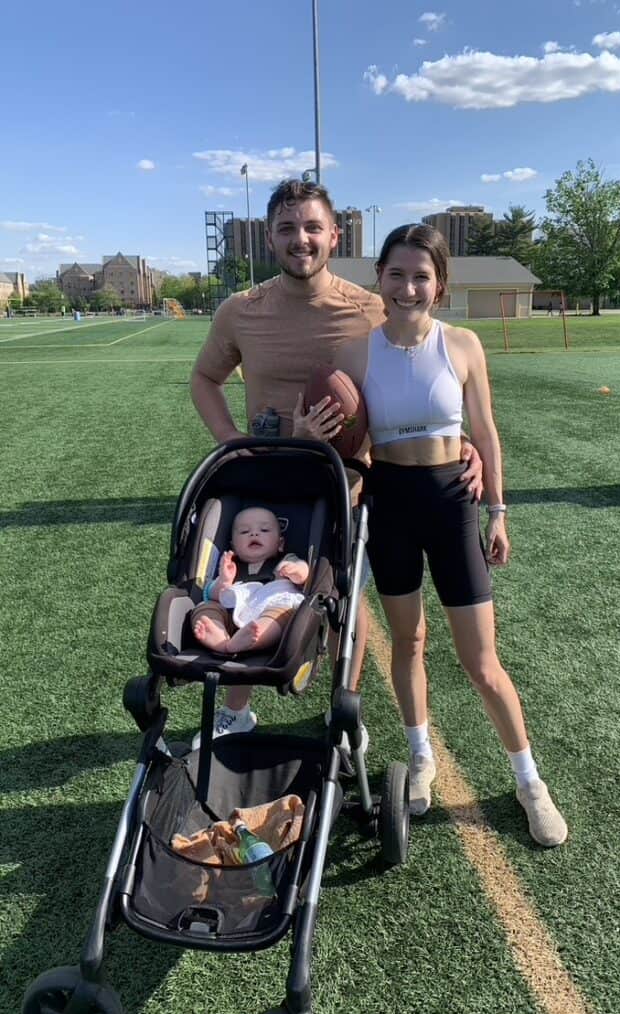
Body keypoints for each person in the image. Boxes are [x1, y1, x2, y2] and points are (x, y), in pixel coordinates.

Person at [190, 179, 482, 745]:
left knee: (343, 598)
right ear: (269, 238)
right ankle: (236, 711)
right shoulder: (240, 311)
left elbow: (423, 375)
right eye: (286, 228)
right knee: (250, 585)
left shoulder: (372, 307)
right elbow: (204, 379)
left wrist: (458, 440)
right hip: (269, 481)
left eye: (312, 227)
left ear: (333, 234)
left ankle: (344, 713)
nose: (300, 239)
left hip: (348, 484)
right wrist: (232, 440)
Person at [334, 223, 567, 847]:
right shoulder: (357, 353)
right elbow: (346, 441)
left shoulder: (462, 344)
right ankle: (421, 756)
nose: (408, 287)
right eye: (397, 274)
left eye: (422, 276)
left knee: (481, 660)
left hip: (453, 503)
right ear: (378, 278)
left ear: (439, 283)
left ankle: (529, 781)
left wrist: (497, 509)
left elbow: (485, 434)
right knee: (408, 642)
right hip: (390, 505)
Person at [191, 506, 309, 656]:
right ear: (233, 545)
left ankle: (251, 639)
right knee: (205, 607)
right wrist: (224, 581)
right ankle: (221, 641)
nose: (254, 533)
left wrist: (296, 571)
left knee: (283, 612)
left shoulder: (285, 561)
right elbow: (211, 594)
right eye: (244, 531)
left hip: (269, 611)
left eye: (264, 530)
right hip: (231, 617)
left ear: (280, 544)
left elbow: (305, 573)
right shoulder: (230, 566)